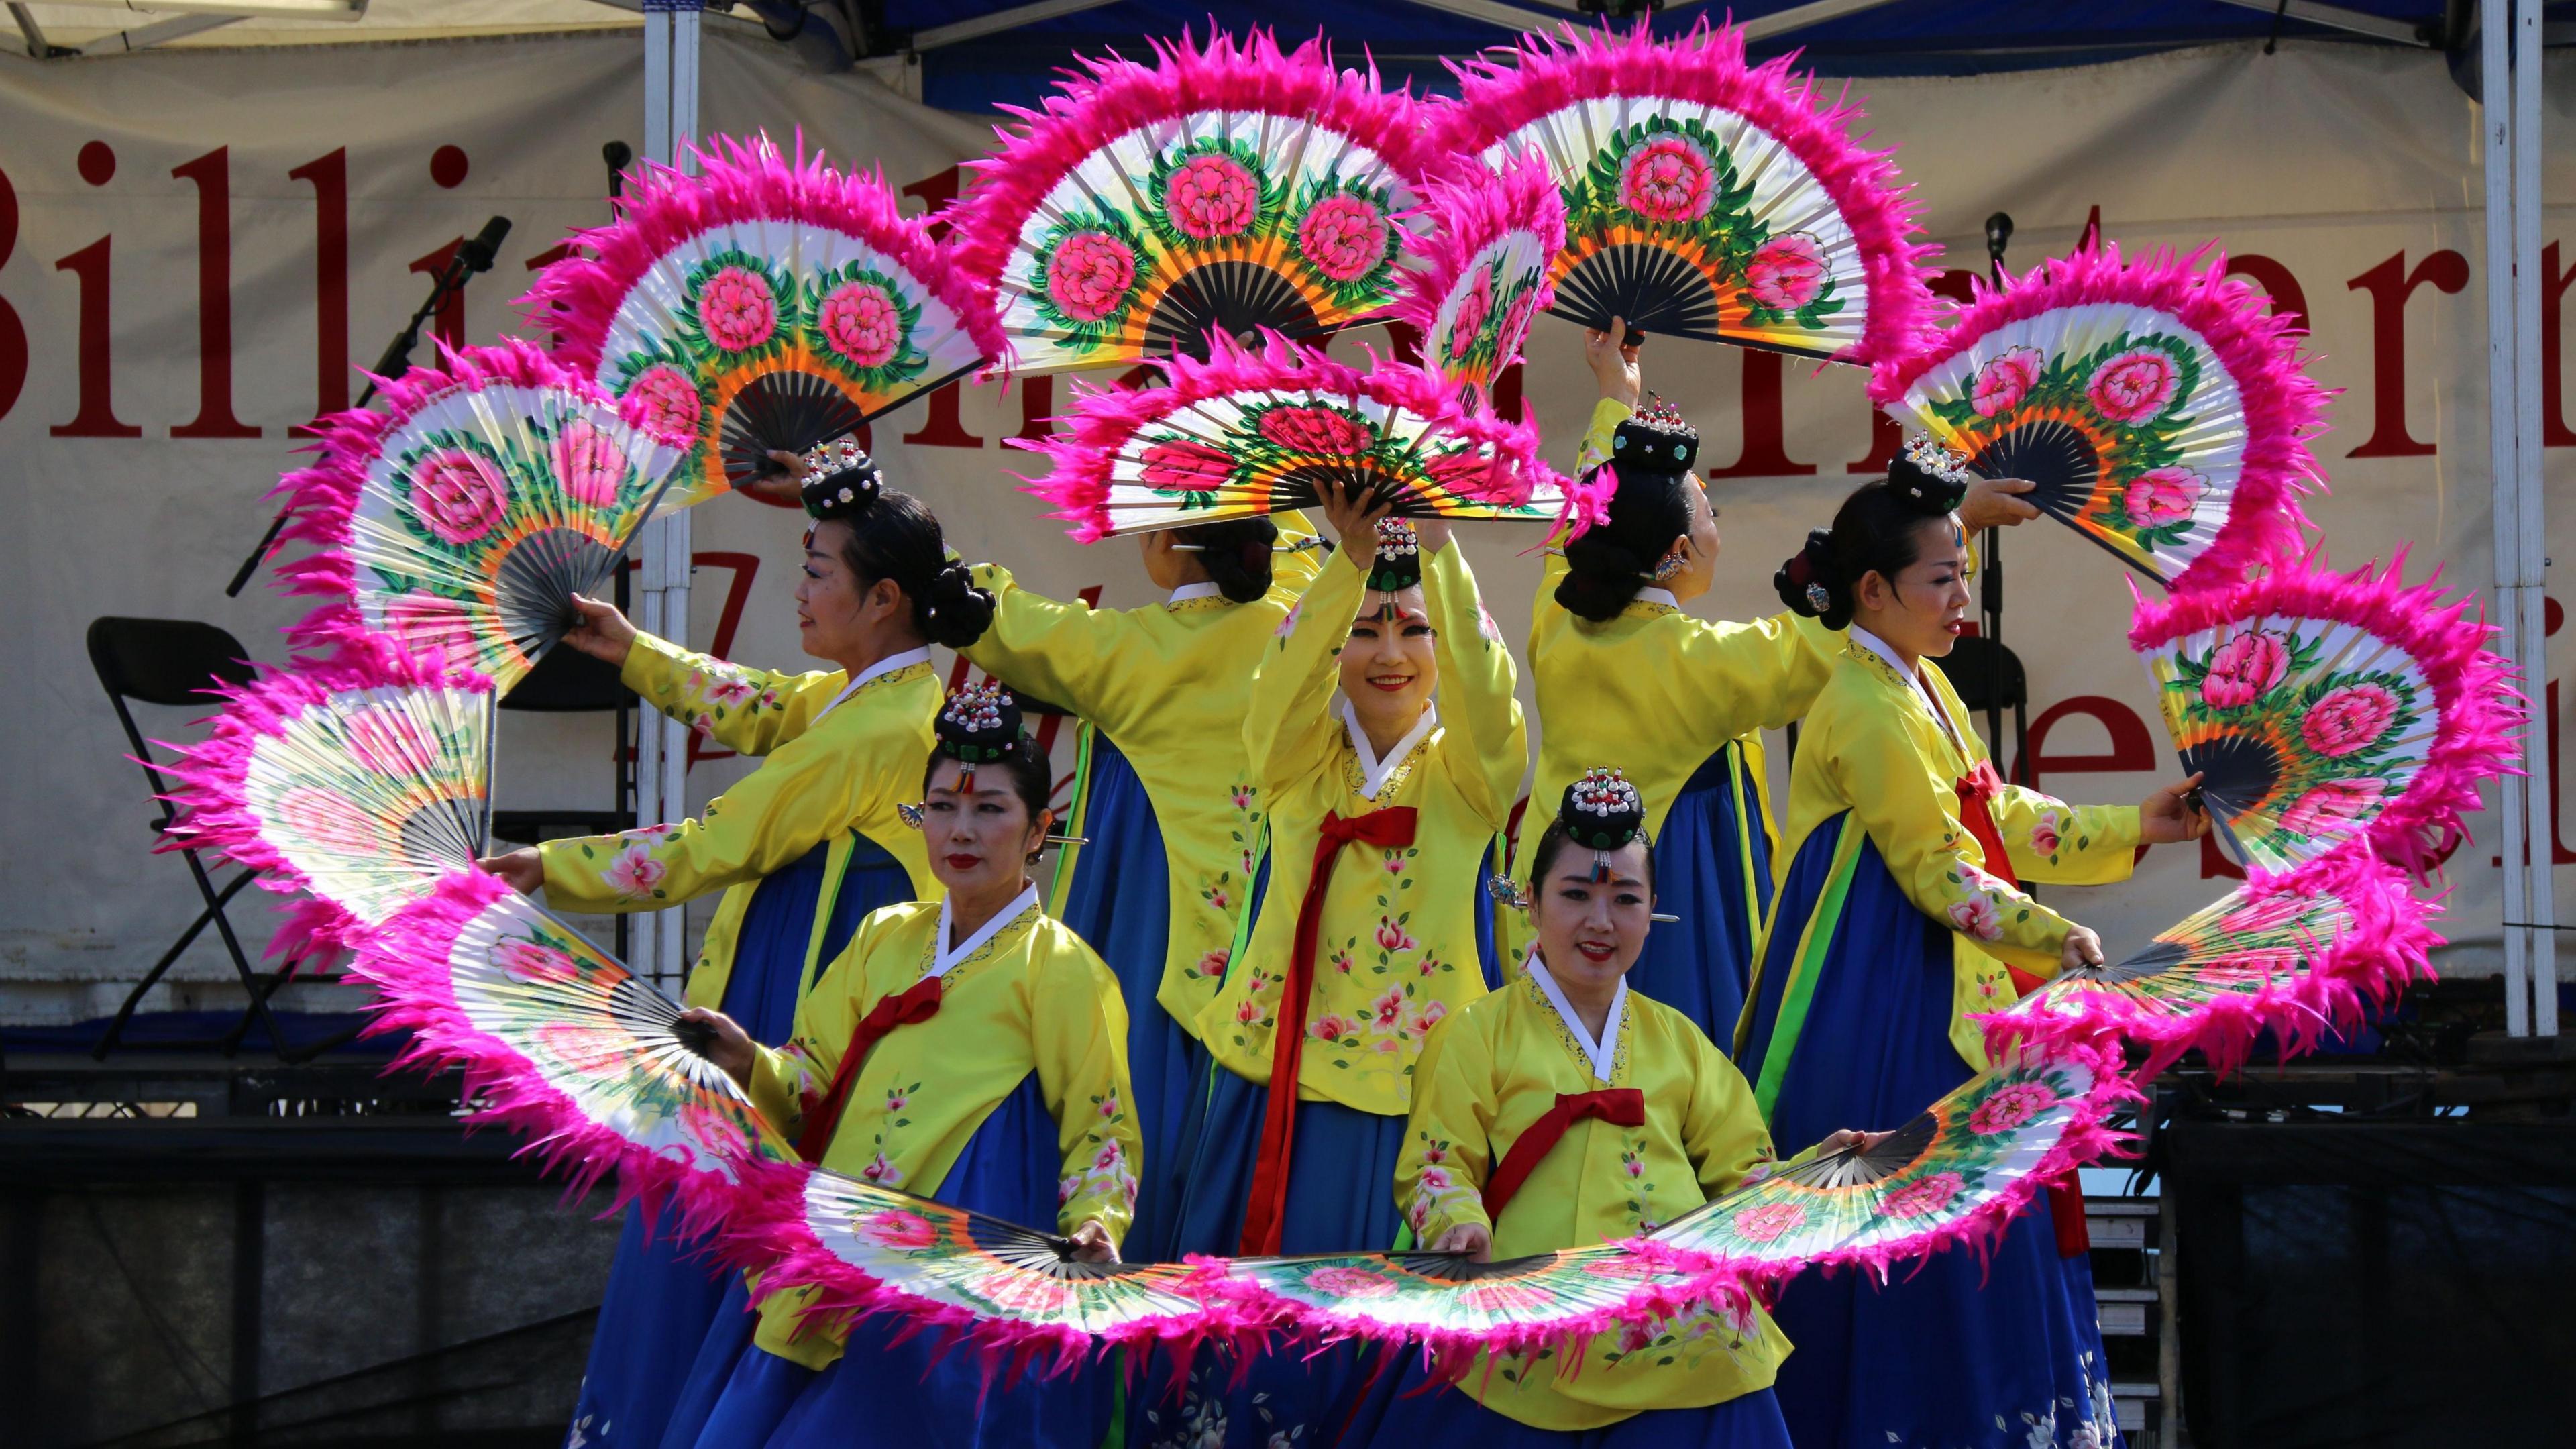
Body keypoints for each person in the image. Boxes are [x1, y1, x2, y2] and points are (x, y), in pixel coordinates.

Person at [484, 440, 987, 1449]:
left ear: (883, 597)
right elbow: (753, 707)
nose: (800, 591)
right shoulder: (872, 700)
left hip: (798, 998)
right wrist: (628, 647)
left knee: (735, 1228)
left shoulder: (878, 731)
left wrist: (548, 867)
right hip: (794, 981)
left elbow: (715, 843)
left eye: (816, 572)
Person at [1736, 447, 2207, 1449]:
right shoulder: (1864, 704)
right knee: (1907, 1237)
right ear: (1873, 590)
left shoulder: (1920, 688)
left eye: (1961, 574)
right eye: (1941, 579)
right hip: (1873, 1012)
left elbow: (2002, 822)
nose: (1961, 600)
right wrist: (2058, 936)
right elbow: (1941, 874)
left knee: (1961, 1232)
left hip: (1941, 992)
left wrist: (2138, 825)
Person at [1519, 319, 2037, 1042]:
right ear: (1676, 552)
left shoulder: (1558, 617)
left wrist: (1616, 393)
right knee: (1675, 1071)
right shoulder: (1700, 663)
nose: (1717, 530)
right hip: (1672, 903)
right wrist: (1955, 530)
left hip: (1562, 887)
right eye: (1710, 514)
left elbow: (1590, 502)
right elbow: (1854, 621)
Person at [660, 684, 1140, 1449]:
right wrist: (743, 1057)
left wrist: (1095, 1223)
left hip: (956, 1267)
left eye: (991, 809)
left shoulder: (1063, 969)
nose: (962, 829)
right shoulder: (884, 936)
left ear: (1039, 828)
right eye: (943, 807)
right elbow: (807, 1076)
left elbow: (1101, 1125)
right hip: (841, 1235)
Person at [1350, 769, 1817, 1449]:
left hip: (1678, 1331)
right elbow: (1437, 1162)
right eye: (1575, 895)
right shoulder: (1477, 1034)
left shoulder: (1678, 1040)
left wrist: (1821, 1172)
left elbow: (1746, 1173)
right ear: (1532, 903)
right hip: (1528, 1322)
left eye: (1625, 899)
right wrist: (1458, 1225)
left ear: (1652, 909)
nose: (1601, 922)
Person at [959, 513, 1322, 1259]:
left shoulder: (1128, 652)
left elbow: (990, 621)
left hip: (1150, 927)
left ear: (1166, 544)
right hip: (1271, 935)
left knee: (1127, 1103)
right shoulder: (1301, 626)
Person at [1175, 490, 1525, 1260]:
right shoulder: (1296, 764)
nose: (1391, 655)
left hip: (1421, 1090)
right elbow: (1278, 691)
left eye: (1413, 630)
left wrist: (1443, 554)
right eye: (1364, 632)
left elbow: (1492, 706)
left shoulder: (1468, 779)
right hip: (1275, 1074)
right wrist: (1349, 562)